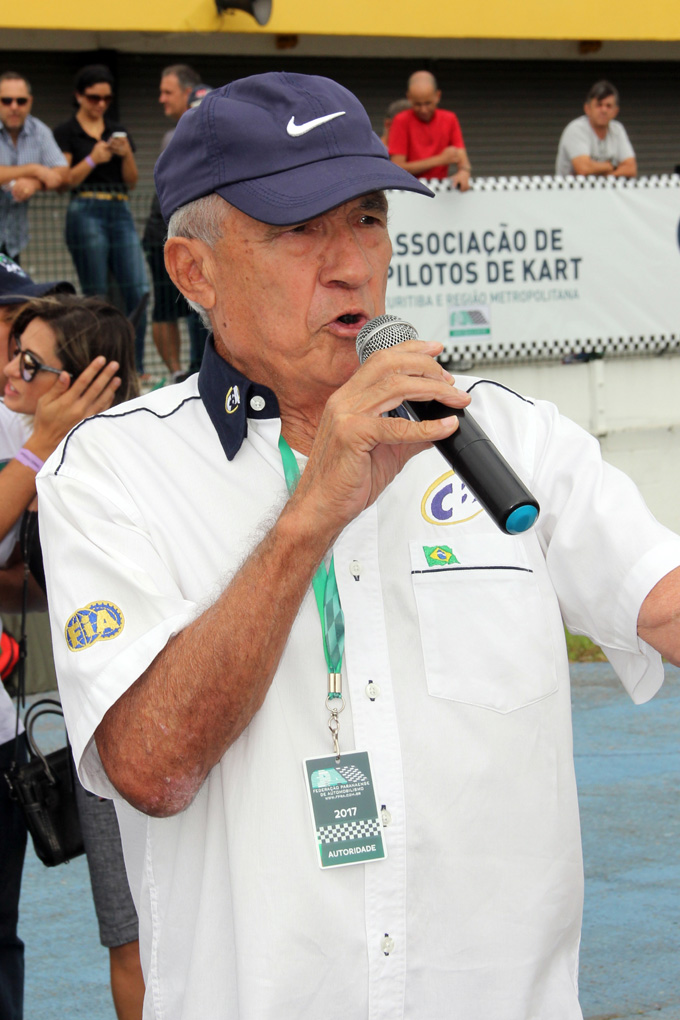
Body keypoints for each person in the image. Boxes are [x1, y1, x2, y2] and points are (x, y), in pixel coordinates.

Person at [37, 72, 680, 1020]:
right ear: (193, 271)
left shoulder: (513, 438)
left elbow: (662, 603)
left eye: (368, 218)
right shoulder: (111, 471)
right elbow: (150, 766)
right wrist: (310, 518)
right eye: (299, 230)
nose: (351, 264)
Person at [1, 293, 144, 1020]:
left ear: (83, 381)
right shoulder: (39, 458)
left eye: (28, 360)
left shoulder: (127, 465)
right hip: (100, 741)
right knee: (131, 941)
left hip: (164, 726)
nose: (8, 372)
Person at [53, 65, 149, 376]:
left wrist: (126, 155)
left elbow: (132, 181)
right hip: (85, 208)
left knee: (138, 287)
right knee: (95, 292)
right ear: (79, 96)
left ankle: (134, 364)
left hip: (119, 208)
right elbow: (64, 179)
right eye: (94, 97)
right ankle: (99, 364)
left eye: (106, 98)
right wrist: (94, 157)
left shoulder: (116, 129)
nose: (100, 104)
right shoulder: (67, 132)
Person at [142, 65, 208, 380]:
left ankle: (197, 368)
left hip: (196, 235)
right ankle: (176, 374)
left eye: (168, 92)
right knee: (167, 307)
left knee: (201, 304)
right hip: (162, 233)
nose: (161, 99)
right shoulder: (174, 135)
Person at [0, 72, 68, 262]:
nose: (14, 107)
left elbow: (61, 172)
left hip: (13, 239)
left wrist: (33, 184)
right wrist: (33, 169)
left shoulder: (39, 131)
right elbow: (45, 171)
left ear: (29, 102)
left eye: (20, 101)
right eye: (6, 100)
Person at [388, 70, 472, 190]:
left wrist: (464, 172)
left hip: (439, 190)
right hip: (409, 190)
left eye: (428, 103)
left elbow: (462, 157)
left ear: (438, 96)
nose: (423, 110)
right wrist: (439, 160)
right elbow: (397, 167)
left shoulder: (449, 119)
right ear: (409, 98)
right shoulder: (401, 121)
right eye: (418, 104)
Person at [555, 80, 637, 178]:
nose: (604, 110)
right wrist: (612, 166)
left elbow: (631, 169)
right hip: (572, 191)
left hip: (605, 191)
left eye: (608, 106)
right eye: (599, 105)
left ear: (615, 111)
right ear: (587, 109)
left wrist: (606, 175)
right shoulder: (576, 129)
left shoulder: (617, 129)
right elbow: (583, 168)